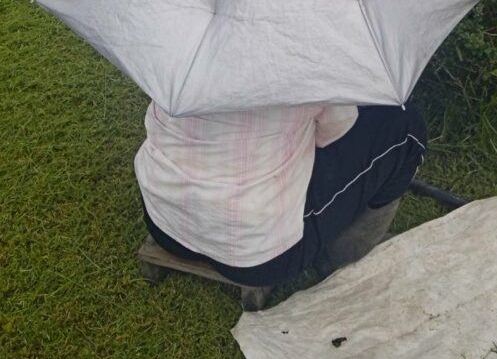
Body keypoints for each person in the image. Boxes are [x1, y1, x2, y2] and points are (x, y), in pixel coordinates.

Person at [135, 101, 426, 289]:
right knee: (405, 125)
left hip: (164, 223)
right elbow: (333, 135)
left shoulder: (180, 44)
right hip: (257, 260)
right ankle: (341, 256)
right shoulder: (303, 54)